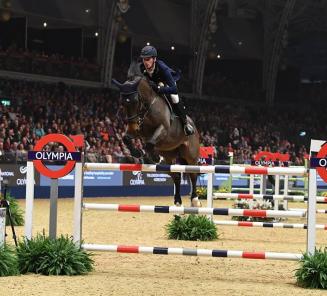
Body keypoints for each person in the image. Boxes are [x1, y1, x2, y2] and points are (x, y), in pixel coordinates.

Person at [139, 45, 194, 136]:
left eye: (148, 59)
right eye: (144, 59)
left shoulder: (163, 68)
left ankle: (185, 124)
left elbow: (174, 89)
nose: (145, 62)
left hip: (168, 82)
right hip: (155, 83)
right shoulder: (142, 68)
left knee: (174, 98)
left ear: (154, 59)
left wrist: (160, 89)